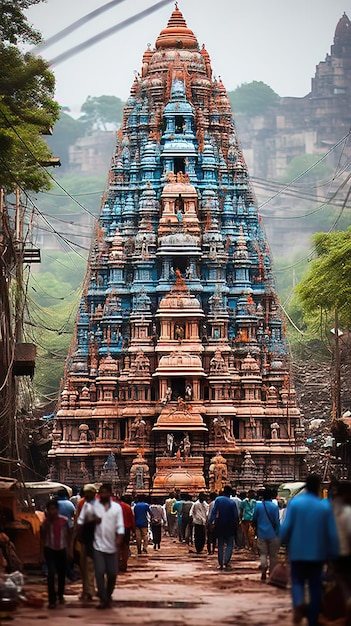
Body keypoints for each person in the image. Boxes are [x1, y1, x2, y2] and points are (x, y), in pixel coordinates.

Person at [280, 474, 339, 626]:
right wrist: (333, 554)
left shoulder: (295, 504)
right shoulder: (324, 506)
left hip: (297, 552)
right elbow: (332, 534)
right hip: (318, 554)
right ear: (319, 487)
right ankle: (312, 619)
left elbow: (286, 528)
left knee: (298, 582)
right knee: (315, 586)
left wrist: (281, 542)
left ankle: (298, 604)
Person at [80, 483, 124, 610]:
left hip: (112, 545)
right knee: (99, 572)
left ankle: (108, 595)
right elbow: (83, 523)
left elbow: (120, 525)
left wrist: (119, 540)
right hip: (97, 545)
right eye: (102, 492)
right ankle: (103, 599)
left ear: (110, 494)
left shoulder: (117, 508)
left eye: (106, 492)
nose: (104, 495)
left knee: (112, 574)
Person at [40, 499, 72, 609]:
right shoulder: (45, 523)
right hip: (49, 549)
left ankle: (60, 594)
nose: (52, 511)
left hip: (62, 549)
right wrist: (41, 553)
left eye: (54, 509)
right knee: (51, 573)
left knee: (61, 573)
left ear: (57, 510)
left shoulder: (64, 521)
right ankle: (52, 600)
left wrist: (70, 550)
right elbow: (42, 538)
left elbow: (68, 536)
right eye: (50, 509)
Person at [76, 484, 98, 602]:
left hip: (92, 538)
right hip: (88, 538)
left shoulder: (85, 504)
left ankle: (89, 590)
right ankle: (88, 590)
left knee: (89, 565)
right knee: (87, 565)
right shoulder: (83, 504)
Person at [252, 488, 280, 581]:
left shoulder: (258, 506)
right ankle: (271, 573)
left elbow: (254, 519)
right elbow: (276, 521)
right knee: (273, 555)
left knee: (263, 554)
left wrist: (255, 527)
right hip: (273, 533)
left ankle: (264, 568)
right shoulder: (274, 507)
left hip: (261, 533)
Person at [209, 485, 239, 569]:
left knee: (220, 545)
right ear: (230, 493)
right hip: (230, 524)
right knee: (230, 544)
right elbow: (236, 515)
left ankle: (220, 563)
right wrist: (237, 525)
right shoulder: (232, 502)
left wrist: (211, 522)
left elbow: (214, 512)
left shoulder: (218, 500)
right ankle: (226, 561)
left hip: (220, 524)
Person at [117, 494, 135, 572]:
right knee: (125, 547)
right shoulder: (128, 507)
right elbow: (132, 519)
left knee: (117, 546)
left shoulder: (115, 507)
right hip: (126, 528)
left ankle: (117, 563)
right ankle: (124, 564)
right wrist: (133, 530)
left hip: (116, 528)